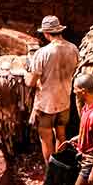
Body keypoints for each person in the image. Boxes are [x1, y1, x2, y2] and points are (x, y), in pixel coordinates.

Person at [25, 15, 79, 167]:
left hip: (47, 105)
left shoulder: (43, 53)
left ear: (46, 33)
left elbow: (30, 82)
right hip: (64, 101)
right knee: (61, 135)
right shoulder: (73, 48)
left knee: (46, 138)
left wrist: (25, 73)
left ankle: (50, 171)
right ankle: (61, 167)